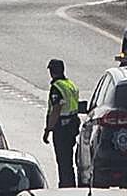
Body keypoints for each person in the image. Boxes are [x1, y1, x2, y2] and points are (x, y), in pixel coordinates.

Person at [42, 58, 80, 187]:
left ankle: (65, 186)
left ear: (52, 71)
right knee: (68, 160)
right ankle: (70, 184)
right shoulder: (70, 85)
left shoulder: (56, 87)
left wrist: (48, 130)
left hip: (62, 129)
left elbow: (56, 110)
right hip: (72, 126)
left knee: (63, 160)